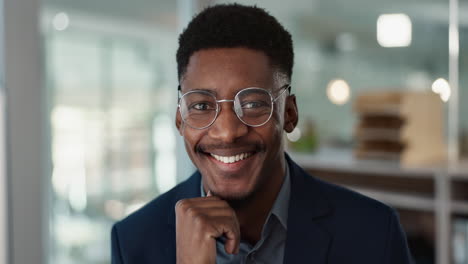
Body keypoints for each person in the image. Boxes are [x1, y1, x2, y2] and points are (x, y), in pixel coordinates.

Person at [111, 4, 413, 264]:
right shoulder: (135, 241)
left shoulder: (372, 233)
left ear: (290, 114)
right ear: (180, 119)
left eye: (254, 104)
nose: (228, 132)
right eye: (202, 105)